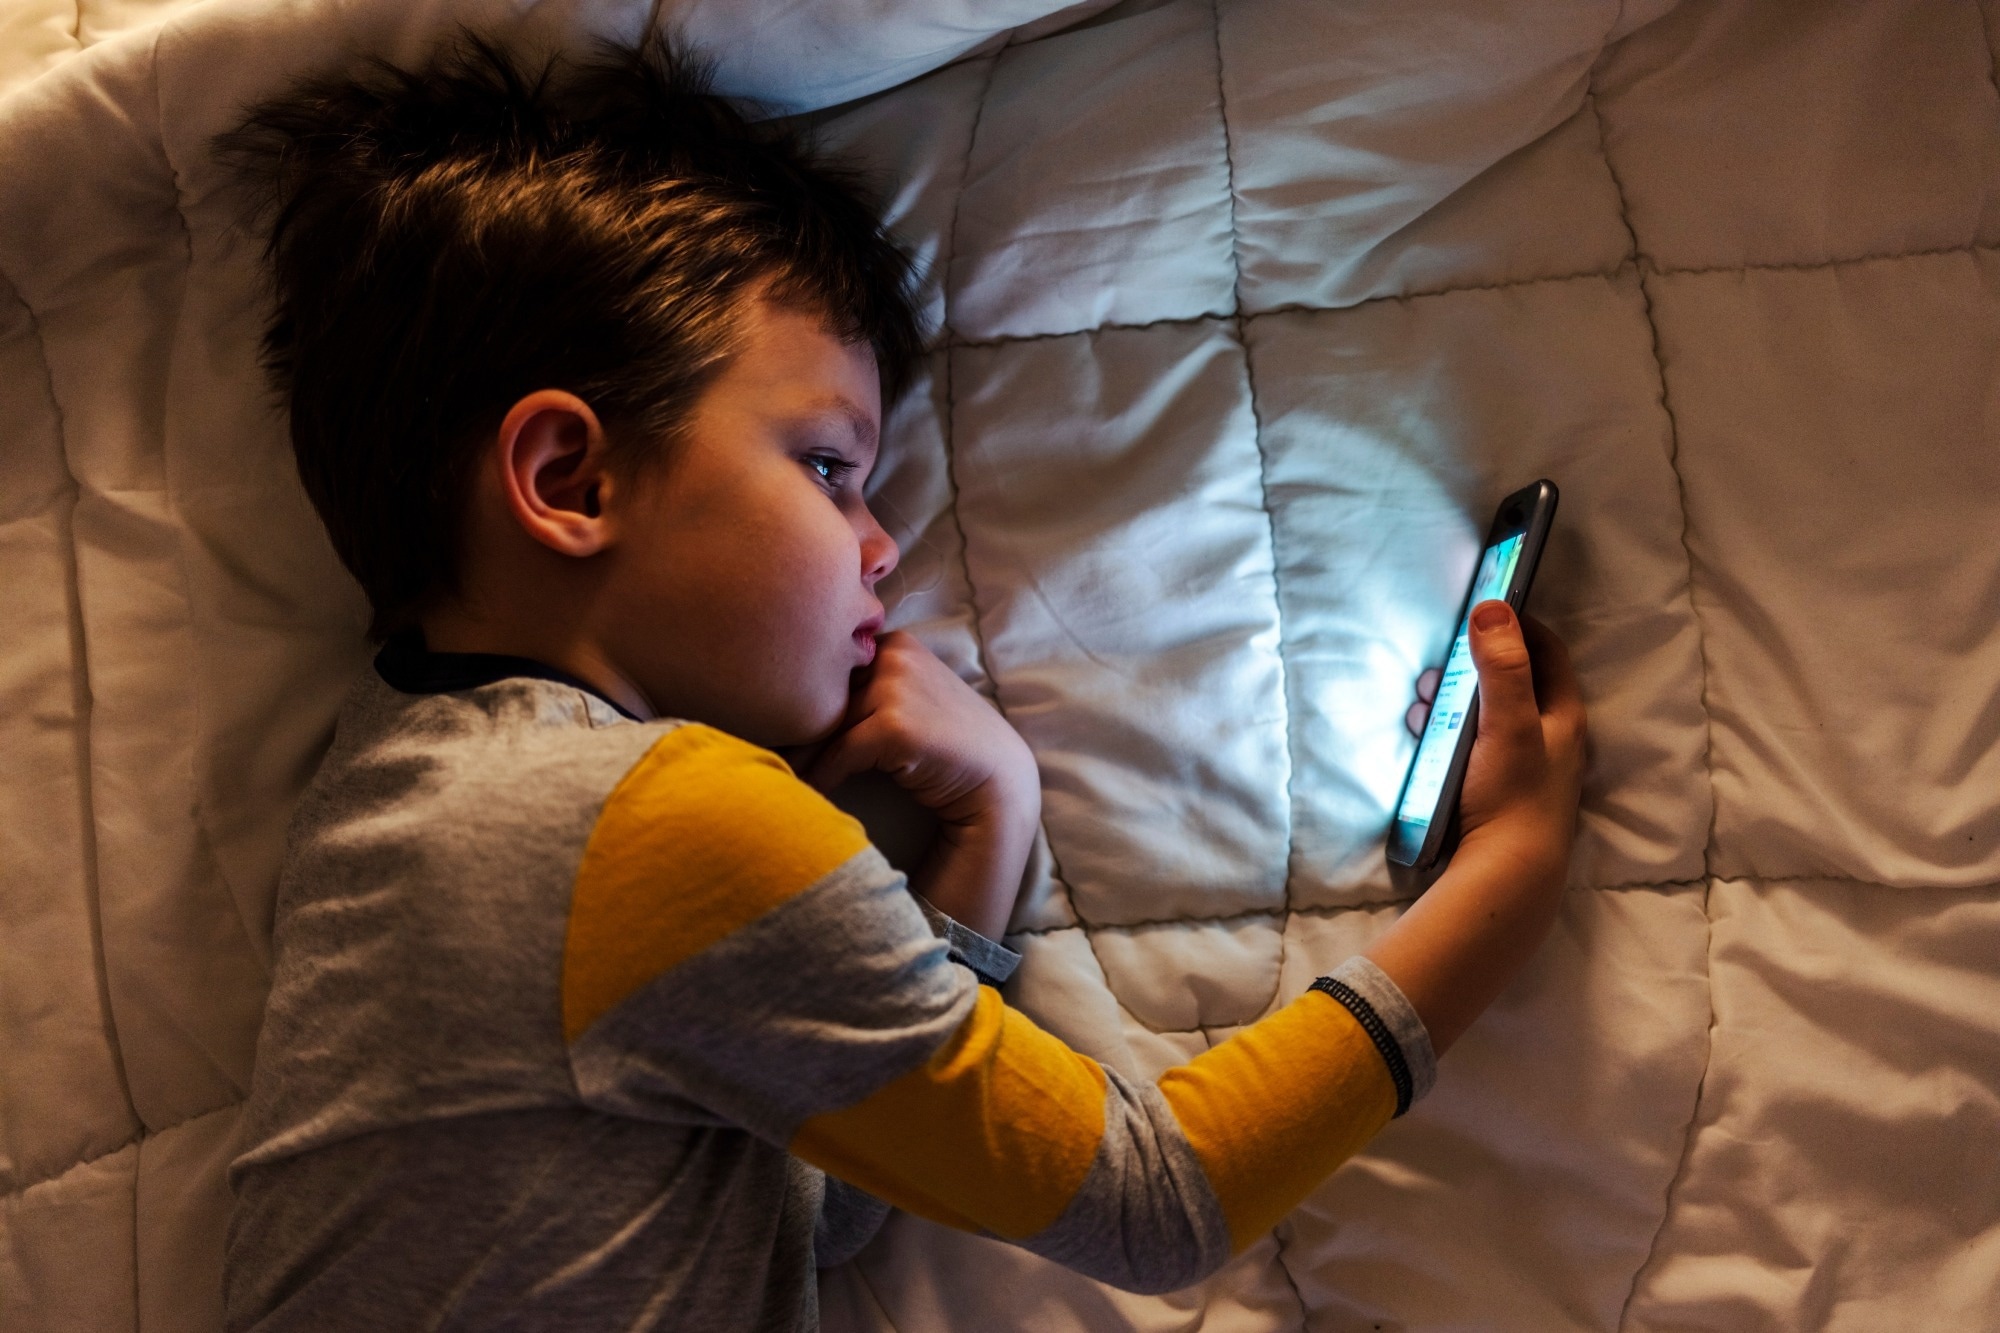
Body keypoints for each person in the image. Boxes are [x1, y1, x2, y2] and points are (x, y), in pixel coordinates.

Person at [216, 31, 1587, 1333]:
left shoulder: (391, 791)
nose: (883, 550)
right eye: (827, 467)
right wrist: (1516, 866)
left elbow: (800, 1218)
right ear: (572, 479)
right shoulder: (649, 821)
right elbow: (1162, 1201)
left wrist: (990, 823)